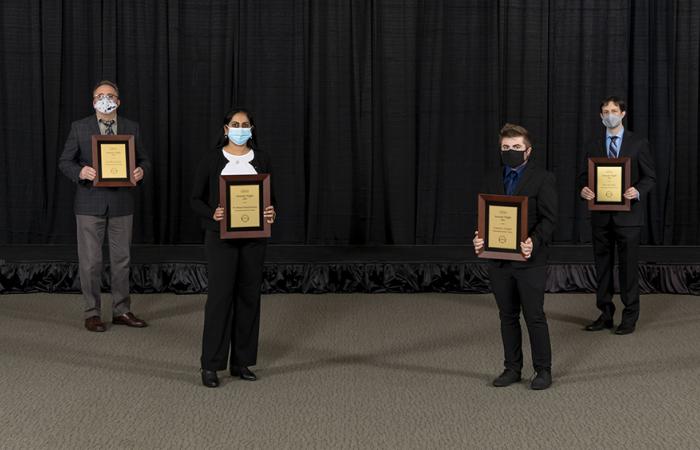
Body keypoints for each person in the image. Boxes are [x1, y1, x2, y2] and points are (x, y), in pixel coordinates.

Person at [190, 107, 276, 388]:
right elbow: (195, 200)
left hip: (254, 240)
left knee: (249, 298)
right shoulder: (211, 159)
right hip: (220, 240)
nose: (241, 128)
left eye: (246, 124)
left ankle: (242, 362)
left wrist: (271, 214)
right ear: (225, 129)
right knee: (219, 299)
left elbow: (272, 199)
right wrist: (210, 214)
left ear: (252, 129)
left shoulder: (262, 159)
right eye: (235, 124)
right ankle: (211, 365)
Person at [58, 80, 150, 332]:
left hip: (122, 202)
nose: (105, 99)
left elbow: (144, 159)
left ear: (118, 102)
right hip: (89, 203)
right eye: (100, 96)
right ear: (93, 101)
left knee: (121, 260)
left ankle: (121, 310)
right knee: (90, 262)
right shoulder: (79, 127)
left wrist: (142, 170)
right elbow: (65, 161)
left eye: (110, 96)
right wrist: (81, 172)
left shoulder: (131, 127)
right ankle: (92, 313)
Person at [473, 123, 557, 390]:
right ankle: (512, 368)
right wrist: (479, 238)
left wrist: (534, 240)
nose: (511, 151)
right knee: (507, 315)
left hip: (530, 259)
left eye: (517, 147)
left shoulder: (543, 178)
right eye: (506, 148)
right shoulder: (489, 177)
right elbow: (484, 217)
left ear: (528, 151)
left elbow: (550, 219)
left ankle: (543, 370)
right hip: (498, 259)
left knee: (534, 316)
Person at [579, 96, 656, 335]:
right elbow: (583, 176)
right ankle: (605, 314)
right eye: (605, 111)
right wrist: (583, 189)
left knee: (628, 268)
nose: (609, 114)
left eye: (614, 110)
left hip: (629, 218)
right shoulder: (592, 144)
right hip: (600, 217)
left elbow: (650, 177)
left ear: (623, 114)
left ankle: (630, 316)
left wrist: (638, 190)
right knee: (602, 267)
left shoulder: (638, 143)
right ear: (601, 116)